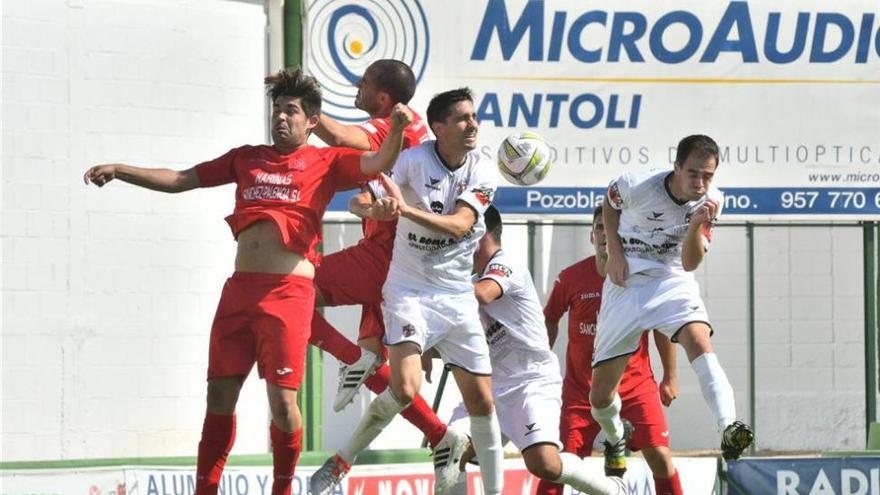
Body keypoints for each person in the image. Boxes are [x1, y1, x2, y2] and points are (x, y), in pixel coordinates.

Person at [83, 68, 411, 495]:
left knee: (282, 404)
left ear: (311, 120)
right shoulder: (247, 157)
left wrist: (398, 129)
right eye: (276, 109)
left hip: (289, 296)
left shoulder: (326, 161)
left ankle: (282, 488)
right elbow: (183, 179)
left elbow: (379, 160)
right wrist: (122, 170)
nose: (280, 117)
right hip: (239, 292)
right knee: (219, 396)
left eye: (290, 110)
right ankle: (206, 489)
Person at [311, 88, 504, 495]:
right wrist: (372, 209)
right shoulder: (411, 161)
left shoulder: (484, 170)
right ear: (438, 128)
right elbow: (360, 201)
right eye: (462, 119)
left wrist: (405, 211)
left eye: (473, 117)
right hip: (409, 290)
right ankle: (342, 460)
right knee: (405, 389)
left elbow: (460, 223)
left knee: (484, 404)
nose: (472, 125)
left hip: (456, 296)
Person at [303, 60, 455, 454]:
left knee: (295, 289)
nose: (358, 84)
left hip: (386, 257)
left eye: (365, 82)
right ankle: (442, 438)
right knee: (395, 382)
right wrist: (368, 209)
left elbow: (338, 134)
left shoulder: (391, 127)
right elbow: (360, 198)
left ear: (383, 98)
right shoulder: (401, 137)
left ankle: (351, 360)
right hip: (397, 256)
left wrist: (302, 100)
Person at [589, 135, 754, 476]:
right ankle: (617, 437)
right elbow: (609, 205)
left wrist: (696, 225)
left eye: (707, 176)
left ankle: (729, 426)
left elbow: (691, 263)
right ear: (676, 167)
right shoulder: (635, 184)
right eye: (692, 173)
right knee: (600, 397)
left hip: (671, 279)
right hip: (627, 281)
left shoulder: (711, 202)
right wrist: (615, 254)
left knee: (700, 340)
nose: (700, 183)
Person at [436, 205, 628, 495]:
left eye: (459, 232)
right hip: (488, 386)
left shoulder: (505, 264)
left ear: (478, 233)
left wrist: (433, 285)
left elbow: (483, 294)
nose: (453, 240)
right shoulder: (467, 278)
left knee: (544, 465)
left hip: (530, 383)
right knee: (450, 448)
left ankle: (612, 489)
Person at [537, 205, 683, 495]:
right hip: (581, 391)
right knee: (559, 465)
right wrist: (540, 364)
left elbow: (660, 326)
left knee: (661, 458)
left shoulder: (639, 276)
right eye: (599, 227)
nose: (605, 233)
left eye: (610, 227)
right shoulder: (570, 278)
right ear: (592, 236)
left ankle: (619, 445)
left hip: (634, 387)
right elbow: (550, 317)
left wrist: (670, 376)